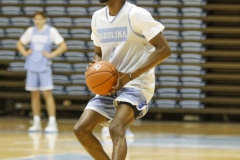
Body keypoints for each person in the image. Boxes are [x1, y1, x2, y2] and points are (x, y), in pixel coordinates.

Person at [74, 0, 171, 159]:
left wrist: (131, 75)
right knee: (81, 129)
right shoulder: (97, 17)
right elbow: (98, 52)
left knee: (116, 128)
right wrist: (97, 65)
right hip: (110, 85)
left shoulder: (136, 14)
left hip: (137, 83)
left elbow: (165, 49)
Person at [16, 11, 67, 133]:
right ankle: (37, 122)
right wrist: (24, 52)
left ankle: (52, 122)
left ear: (44, 19)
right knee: (34, 94)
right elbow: (19, 44)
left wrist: (51, 55)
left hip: (44, 66)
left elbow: (63, 46)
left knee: (47, 94)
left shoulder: (51, 31)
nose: (37, 21)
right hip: (32, 66)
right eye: (35, 19)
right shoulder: (30, 31)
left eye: (39, 19)